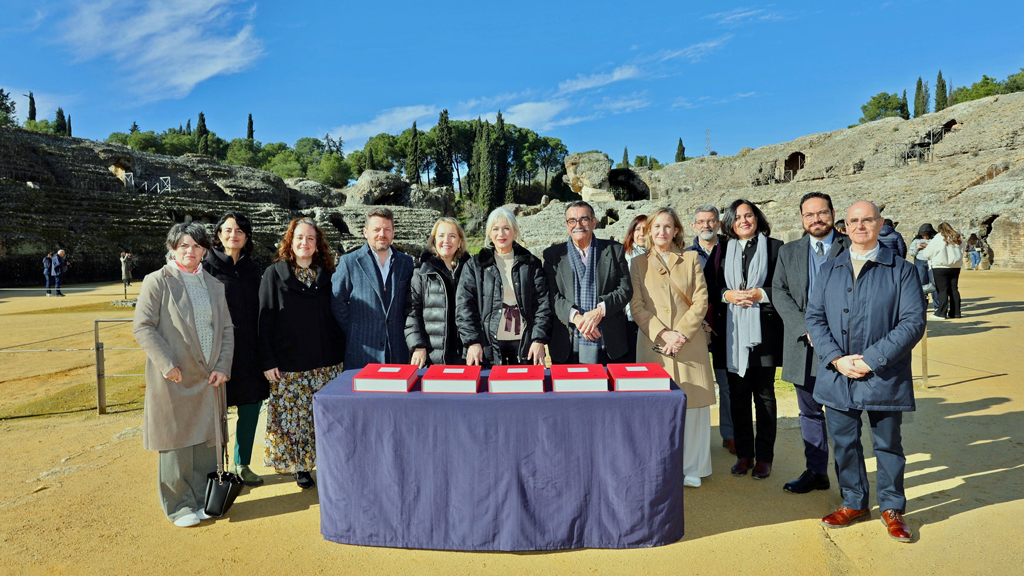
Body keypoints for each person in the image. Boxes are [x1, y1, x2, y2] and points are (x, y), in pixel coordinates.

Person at [807, 200, 925, 543]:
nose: (860, 226)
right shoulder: (830, 269)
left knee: (887, 445)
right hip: (838, 374)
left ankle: (892, 507)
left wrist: (871, 359)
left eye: (867, 220)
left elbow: (912, 322)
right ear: (844, 227)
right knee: (844, 443)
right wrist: (836, 359)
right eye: (854, 221)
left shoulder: (902, 270)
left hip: (883, 374)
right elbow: (814, 317)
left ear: (880, 223)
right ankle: (854, 502)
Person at [133, 222, 234, 527]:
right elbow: (143, 326)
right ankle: (178, 506)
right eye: (184, 245)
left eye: (197, 246)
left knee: (205, 439)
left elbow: (226, 329)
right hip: (175, 375)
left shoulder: (214, 285)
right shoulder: (157, 281)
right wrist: (168, 364)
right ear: (172, 248)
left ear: (205, 251)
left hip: (209, 375)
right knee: (176, 439)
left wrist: (223, 366)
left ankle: (202, 499)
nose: (191, 251)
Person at [629, 207, 716, 488]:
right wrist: (663, 333)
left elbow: (701, 300)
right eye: (656, 226)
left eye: (668, 226)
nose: (662, 232)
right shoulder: (638, 264)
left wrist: (680, 333)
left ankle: (694, 467)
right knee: (655, 408)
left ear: (677, 230)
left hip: (689, 344)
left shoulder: (690, 259)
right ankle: (658, 466)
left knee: (694, 406)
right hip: (654, 344)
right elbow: (636, 305)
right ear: (649, 231)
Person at [772, 192, 849, 494]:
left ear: (832, 214)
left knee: (843, 416)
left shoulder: (850, 247)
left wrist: (829, 332)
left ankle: (850, 483)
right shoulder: (789, 251)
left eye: (822, 213)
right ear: (802, 218)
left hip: (841, 345)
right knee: (809, 413)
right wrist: (805, 328)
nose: (816, 219)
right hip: (802, 346)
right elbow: (779, 292)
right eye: (809, 214)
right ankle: (817, 472)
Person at [259, 217, 345, 489]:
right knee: (297, 422)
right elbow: (264, 321)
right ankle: (302, 467)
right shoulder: (274, 274)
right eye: (299, 237)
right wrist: (268, 360)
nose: (304, 243)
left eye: (310, 238)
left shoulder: (330, 274)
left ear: (318, 244)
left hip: (327, 363)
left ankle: (329, 464)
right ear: (290, 241)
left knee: (326, 419)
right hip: (291, 365)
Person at [716, 199, 784, 480]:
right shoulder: (721, 249)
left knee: (765, 395)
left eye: (749, 215)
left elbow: (784, 288)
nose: (743, 221)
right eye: (737, 217)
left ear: (757, 218)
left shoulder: (776, 247)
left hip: (763, 333)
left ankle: (765, 458)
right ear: (730, 222)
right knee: (738, 396)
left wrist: (761, 294)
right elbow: (710, 287)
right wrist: (727, 295)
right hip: (733, 334)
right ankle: (744, 454)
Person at [203, 212, 268, 487]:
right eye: (228, 230)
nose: (234, 235)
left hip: (250, 349)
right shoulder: (207, 267)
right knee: (214, 411)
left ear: (247, 236)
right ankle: (215, 468)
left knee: (251, 406)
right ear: (218, 234)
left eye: (240, 230)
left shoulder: (253, 269)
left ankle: (242, 464)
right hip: (218, 351)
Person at [456, 207, 552, 366]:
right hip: (487, 343)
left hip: (524, 343)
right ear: (489, 233)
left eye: (506, 228)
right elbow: (464, 306)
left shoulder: (531, 263)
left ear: (515, 231)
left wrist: (538, 339)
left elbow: (543, 304)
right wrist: (472, 342)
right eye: (495, 229)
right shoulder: (475, 266)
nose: (501, 234)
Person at [543, 201, 633, 365]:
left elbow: (625, 289)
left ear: (594, 222)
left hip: (609, 343)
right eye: (572, 221)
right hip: (567, 343)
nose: (578, 225)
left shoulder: (614, 250)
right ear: (566, 225)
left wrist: (600, 311)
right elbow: (551, 295)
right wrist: (576, 318)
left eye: (584, 219)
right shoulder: (553, 256)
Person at [331, 207, 414, 370]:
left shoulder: (406, 263)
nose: (382, 234)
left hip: (398, 352)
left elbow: (410, 303)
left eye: (387, 229)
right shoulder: (349, 262)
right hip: (361, 353)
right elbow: (337, 301)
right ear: (365, 232)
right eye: (376, 229)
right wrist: (356, 329)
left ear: (393, 232)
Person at [684, 205, 735, 455]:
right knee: (694, 384)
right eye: (701, 221)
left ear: (719, 224)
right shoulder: (685, 256)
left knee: (727, 384)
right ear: (693, 226)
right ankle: (693, 439)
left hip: (726, 327)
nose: (706, 225)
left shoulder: (732, 250)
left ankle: (730, 434)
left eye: (711, 220)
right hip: (696, 329)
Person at [405, 217, 472, 367]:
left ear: (459, 242)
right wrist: (418, 346)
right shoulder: (421, 272)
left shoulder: (471, 271)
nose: (446, 241)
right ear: (434, 240)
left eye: (452, 236)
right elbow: (412, 312)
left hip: (467, 355)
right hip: (433, 356)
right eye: (441, 235)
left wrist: (475, 343)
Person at [918, 222, 964, 320]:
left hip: (940, 266)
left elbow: (927, 253)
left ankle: (941, 313)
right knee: (954, 289)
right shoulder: (958, 237)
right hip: (955, 266)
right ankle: (956, 312)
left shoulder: (938, 238)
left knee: (943, 290)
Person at [621, 214, 648, 363]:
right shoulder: (624, 256)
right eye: (637, 229)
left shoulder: (659, 256)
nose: (641, 233)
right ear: (631, 233)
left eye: (646, 229)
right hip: (630, 317)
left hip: (652, 316)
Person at [907, 223, 938, 312]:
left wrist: (930, 247)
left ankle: (937, 306)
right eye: (923, 235)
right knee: (922, 285)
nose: (925, 237)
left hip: (932, 262)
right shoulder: (916, 241)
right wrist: (917, 248)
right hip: (920, 262)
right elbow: (911, 253)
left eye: (927, 235)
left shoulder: (935, 240)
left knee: (934, 284)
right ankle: (922, 306)